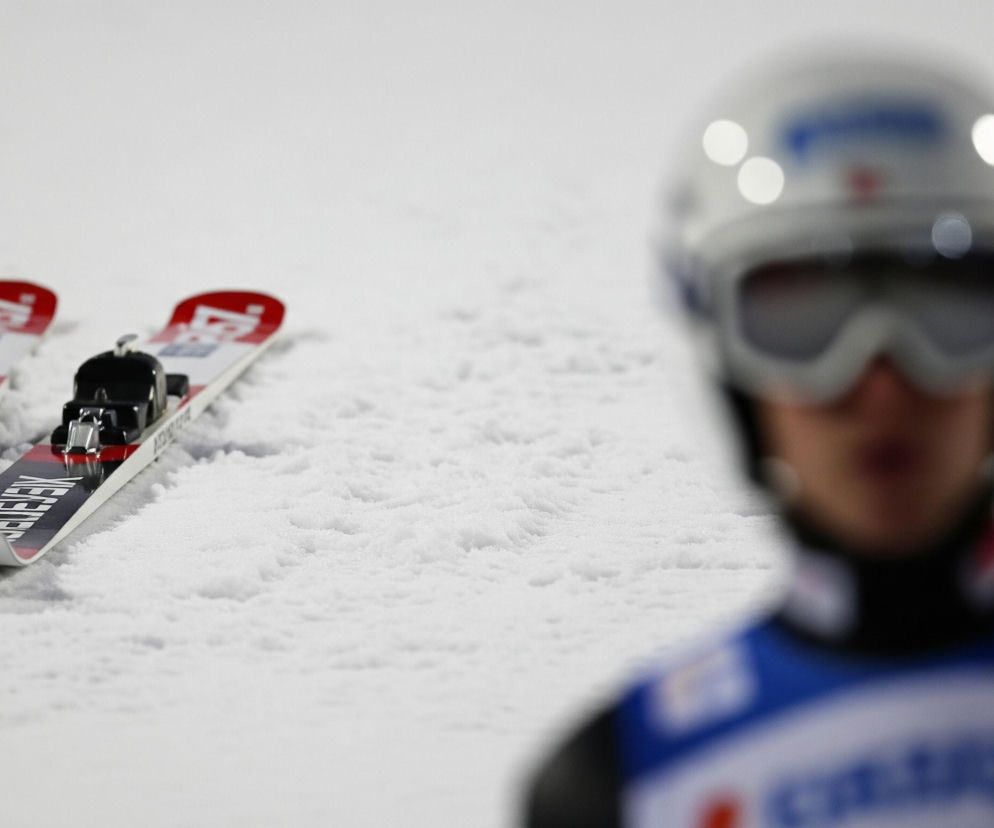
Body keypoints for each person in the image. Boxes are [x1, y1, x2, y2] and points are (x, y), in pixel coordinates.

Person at [522, 48, 994, 827]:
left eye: (949, 302)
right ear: (734, 383)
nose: (881, 386)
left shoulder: (639, 771)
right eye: (802, 320)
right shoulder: (621, 785)